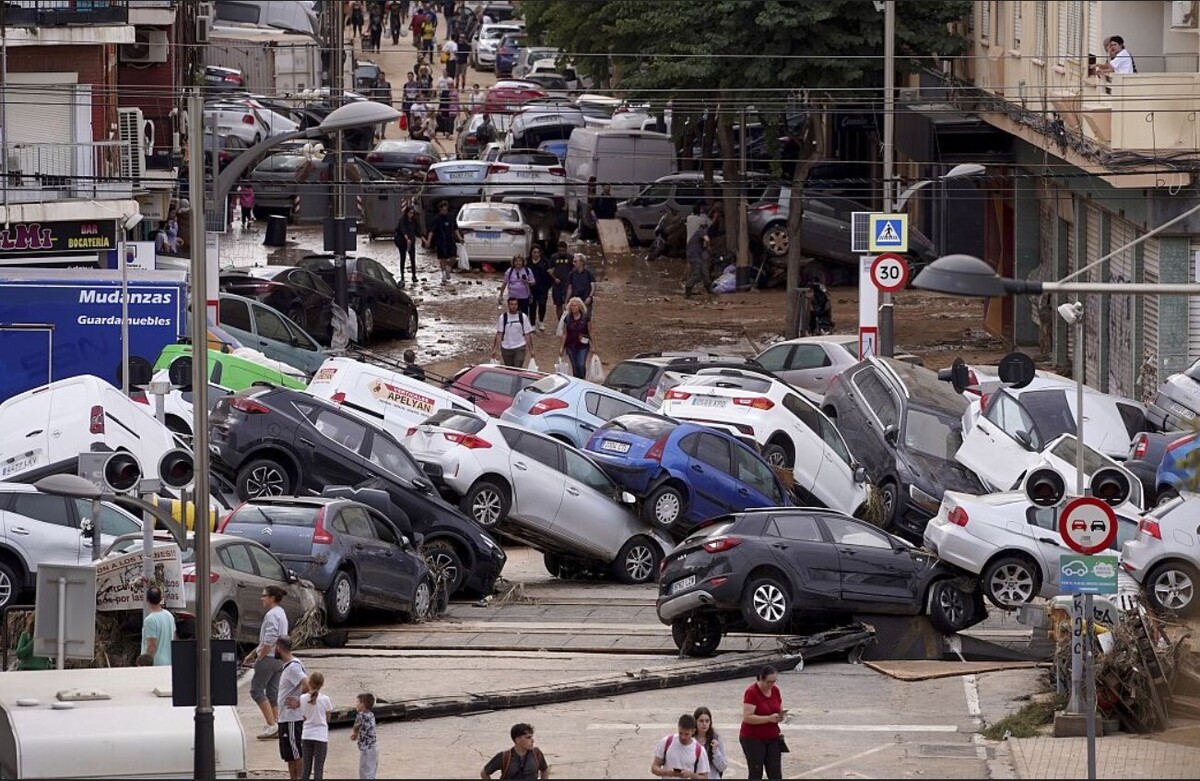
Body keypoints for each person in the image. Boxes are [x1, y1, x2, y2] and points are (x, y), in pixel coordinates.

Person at [243, 585, 290, 740]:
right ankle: (277, 723)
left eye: (264, 596)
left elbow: (269, 638)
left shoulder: (271, 615)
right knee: (272, 692)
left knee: (256, 690)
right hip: (278, 658)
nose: (261, 598)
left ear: (272, 598)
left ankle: (271, 725)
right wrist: (253, 653)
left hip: (269, 657)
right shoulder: (281, 613)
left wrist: (260, 655)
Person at [740, 665, 786, 780]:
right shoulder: (751, 692)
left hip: (773, 736)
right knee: (756, 772)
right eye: (768, 682)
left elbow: (779, 708)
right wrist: (768, 718)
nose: (771, 685)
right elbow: (747, 717)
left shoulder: (775, 690)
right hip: (753, 738)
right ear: (761, 679)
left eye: (774, 681)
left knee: (775, 773)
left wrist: (781, 716)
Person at [276, 636, 308, 781]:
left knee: (296, 754)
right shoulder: (288, 666)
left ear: (279, 647)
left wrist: (300, 701)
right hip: (285, 718)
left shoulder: (294, 667)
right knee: (289, 755)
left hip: (292, 718)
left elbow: (308, 685)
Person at [651, 713, 711, 779]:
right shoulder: (667, 742)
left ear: (693, 731)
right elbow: (654, 767)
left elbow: (705, 777)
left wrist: (691, 775)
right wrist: (667, 773)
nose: (683, 737)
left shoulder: (699, 750)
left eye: (686, 734)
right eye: (681, 733)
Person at [481, 722, 549, 779]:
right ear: (517, 740)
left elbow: (545, 769)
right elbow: (484, 773)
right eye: (528, 737)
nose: (532, 740)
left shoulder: (536, 753)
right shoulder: (504, 756)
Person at [300, 671, 332, 781]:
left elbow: (303, 716)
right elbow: (328, 717)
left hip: (307, 734)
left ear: (309, 682)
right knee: (318, 770)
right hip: (320, 735)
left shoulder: (303, 698)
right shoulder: (325, 699)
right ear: (322, 684)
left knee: (306, 769)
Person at [423, 199, 462, 283]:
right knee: (442, 259)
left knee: (453, 258)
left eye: (446, 209)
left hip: (450, 240)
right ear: (440, 209)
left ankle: (448, 268)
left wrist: (459, 238)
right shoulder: (436, 219)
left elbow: (455, 228)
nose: (444, 211)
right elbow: (431, 231)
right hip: (441, 241)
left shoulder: (451, 216)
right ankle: (444, 275)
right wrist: (428, 241)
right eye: (443, 209)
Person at [492, 297, 535, 368]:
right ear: (508, 305)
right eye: (511, 304)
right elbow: (499, 334)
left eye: (515, 304)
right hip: (506, 347)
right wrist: (495, 349)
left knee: (518, 367)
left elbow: (527, 334)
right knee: (509, 369)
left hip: (520, 346)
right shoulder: (503, 317)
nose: (514, 306)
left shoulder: (523, 317)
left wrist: (531, 350)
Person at [140, 585, 176, 667]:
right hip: (169, 662)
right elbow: (173, 637)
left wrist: (146, 665)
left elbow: (152, 645)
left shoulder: (150, 620)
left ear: (147, 599)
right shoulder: (169, 615)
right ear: (160, 599)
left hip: (156, 664)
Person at [559, 297, 592, 379]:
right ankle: (577, 380)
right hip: (570, 345)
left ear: (579, 306)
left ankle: (582, 379)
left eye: (575, 306)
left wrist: (593, 345)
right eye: (572, 306)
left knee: (580, 364)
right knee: (574, 366)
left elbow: (591, 332)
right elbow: (565, 333)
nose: (573, 307)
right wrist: (561, 347)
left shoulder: (585, 318)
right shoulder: (567, 318)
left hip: (582, 345)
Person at [694, 706, 728, 779]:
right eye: (701, 721)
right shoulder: (690, 739)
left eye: (707, 721)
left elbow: (722, 767)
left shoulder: (716, 738)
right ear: (695, 722)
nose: (704, 724)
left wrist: (715, 751)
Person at [351, 692, 379, 780]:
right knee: (371, 770)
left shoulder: (361, 715)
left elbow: (356, 725)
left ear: (362, 705)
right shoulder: (371, 714)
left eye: (357, 702)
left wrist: (355, 734)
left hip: (367, 748)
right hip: (373, 746)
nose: (356, 704)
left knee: (365, 772)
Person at [499, 253, 534, 318]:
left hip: (524, 297)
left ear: (523, 262)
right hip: (512, 297)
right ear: (513, 262)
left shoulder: (527, 270)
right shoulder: (509, 271)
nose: (518, 263)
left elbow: (533, 282)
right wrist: (501, 295)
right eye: (516, 261)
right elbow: (504, 283)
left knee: (524, 315)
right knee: (512, 314)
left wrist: (527, 282)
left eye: (520, 261)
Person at [527, 245, 553, 331]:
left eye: (538, 252)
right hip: (531, 289)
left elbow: (550, 274)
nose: (536, 254)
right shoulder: (527, 262)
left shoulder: (545, 262)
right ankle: (532, 323)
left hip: (543, 288)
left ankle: (541, 321)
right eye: (534, 252)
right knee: (532, 306)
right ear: (531, 253)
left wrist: (548, 286)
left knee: (542, 305)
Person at [683, 223, 712, 298]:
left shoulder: (696, 237)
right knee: (697, 274)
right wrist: (709, 247)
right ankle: (688, 288)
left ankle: (710, 290)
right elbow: (707, 239)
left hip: (696, 256)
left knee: (705, 273)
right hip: (694, 256)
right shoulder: (700, 231)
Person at [394, 202, 420, 284]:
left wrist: (424, 239)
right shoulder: (402, 220)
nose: (411, 215)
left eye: (412, 213)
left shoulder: (414, 221)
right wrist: (406, 238)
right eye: (410, 213)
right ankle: (402, 276)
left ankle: (414, 276)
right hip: (402, 243)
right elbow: (402, 230)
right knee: (403, 258)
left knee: (413, 259)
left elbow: (417, 231)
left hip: (411, 242)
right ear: (407, 213)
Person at [549, 240, 573, 323]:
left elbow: (573, 269)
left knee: (568, 303)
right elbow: (549, 270)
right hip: (557, 285)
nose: (562, 252)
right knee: (558, 304)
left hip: (567, 284)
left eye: (563, 250)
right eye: (560, 250)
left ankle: (568, 321)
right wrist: (554, 278)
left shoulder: (570, 257)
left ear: (566, 249)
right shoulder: (553, 257)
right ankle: (560, 321)